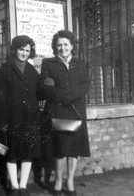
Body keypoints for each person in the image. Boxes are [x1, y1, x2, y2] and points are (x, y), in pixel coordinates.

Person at [38, 30, 90, 196]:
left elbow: (85, 84)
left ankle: (70, 180)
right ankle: (58, 179)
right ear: (55, 47)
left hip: (75, 110)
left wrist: (70, 94)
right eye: (59, 45)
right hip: (58, 110)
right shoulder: (48, 63)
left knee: (73, 148)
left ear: (72, 46)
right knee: (60, 148)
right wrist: (62, 95)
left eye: (65, 44)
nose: (62, 48)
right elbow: (44, 87)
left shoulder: (80, 63)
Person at [0, 35, 41, 196]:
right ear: (14, 50)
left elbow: (39, 93)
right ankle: (14, 186)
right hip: (12, 119)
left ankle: (23, 186)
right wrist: (1, 121)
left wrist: (49, 84)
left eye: (27, 50)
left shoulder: (32, 71)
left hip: (30, 119)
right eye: (21, 49)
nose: (24, 53)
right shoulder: (4, 70)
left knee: (28, 152)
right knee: (11, 153)